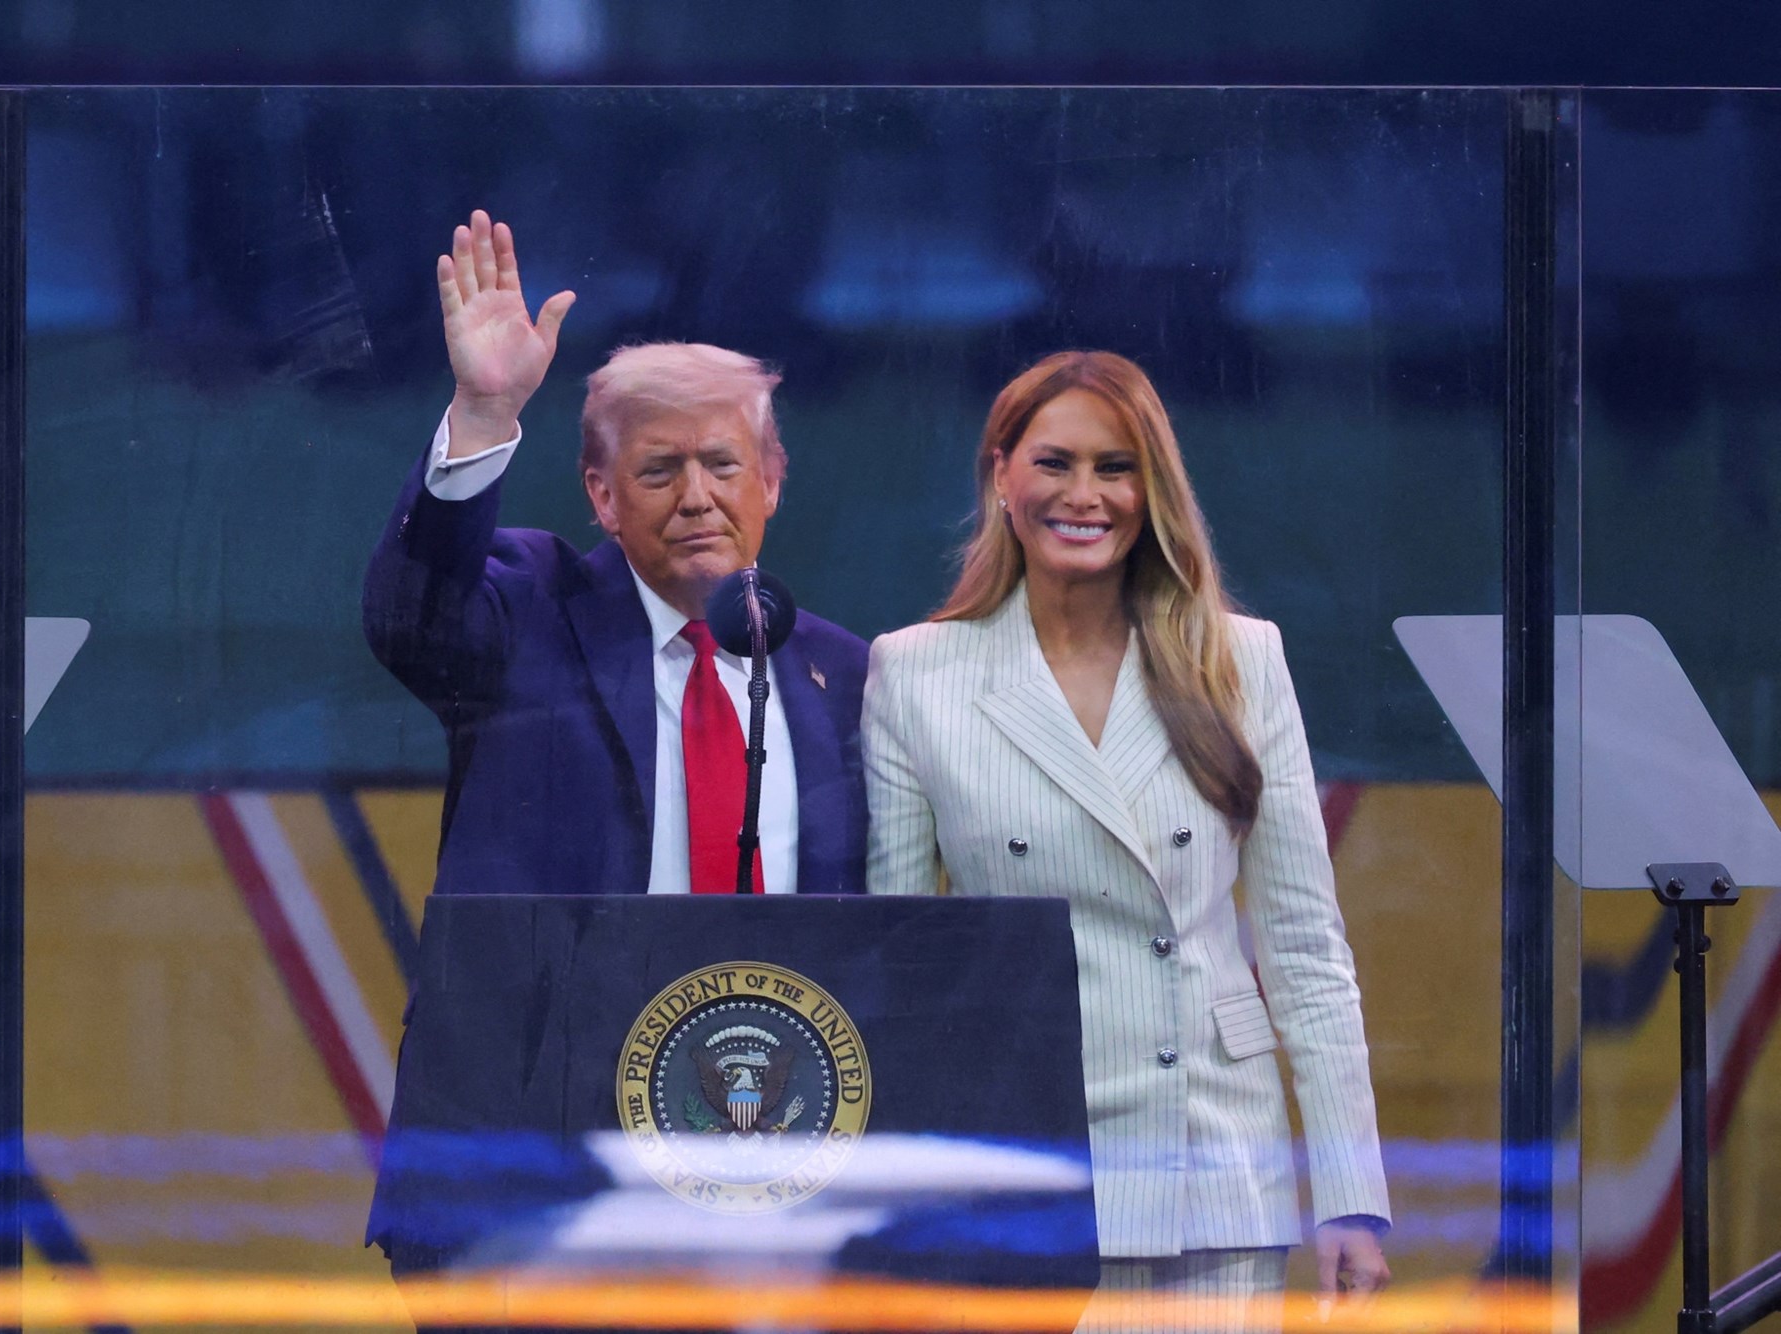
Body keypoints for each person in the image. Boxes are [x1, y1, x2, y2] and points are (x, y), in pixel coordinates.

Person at [861, 351, 1391, 1330]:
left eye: (1115, 467)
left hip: (1212, 1161)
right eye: (1054, 462)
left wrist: (1349, 1193)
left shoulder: (1240, 659)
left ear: (1153, 491)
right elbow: (903, 967)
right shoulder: (914, 675)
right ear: (1001, 475)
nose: (1084, 494)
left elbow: (1306, 949)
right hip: (1020, 1167)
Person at [363, 210, 868, 900]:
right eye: (659, 471)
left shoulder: (844, 675)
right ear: (603, 498)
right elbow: (414, 619)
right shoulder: (530, 616)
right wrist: (483, 414)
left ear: (771, 483)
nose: (696, 498)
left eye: (722, 465)